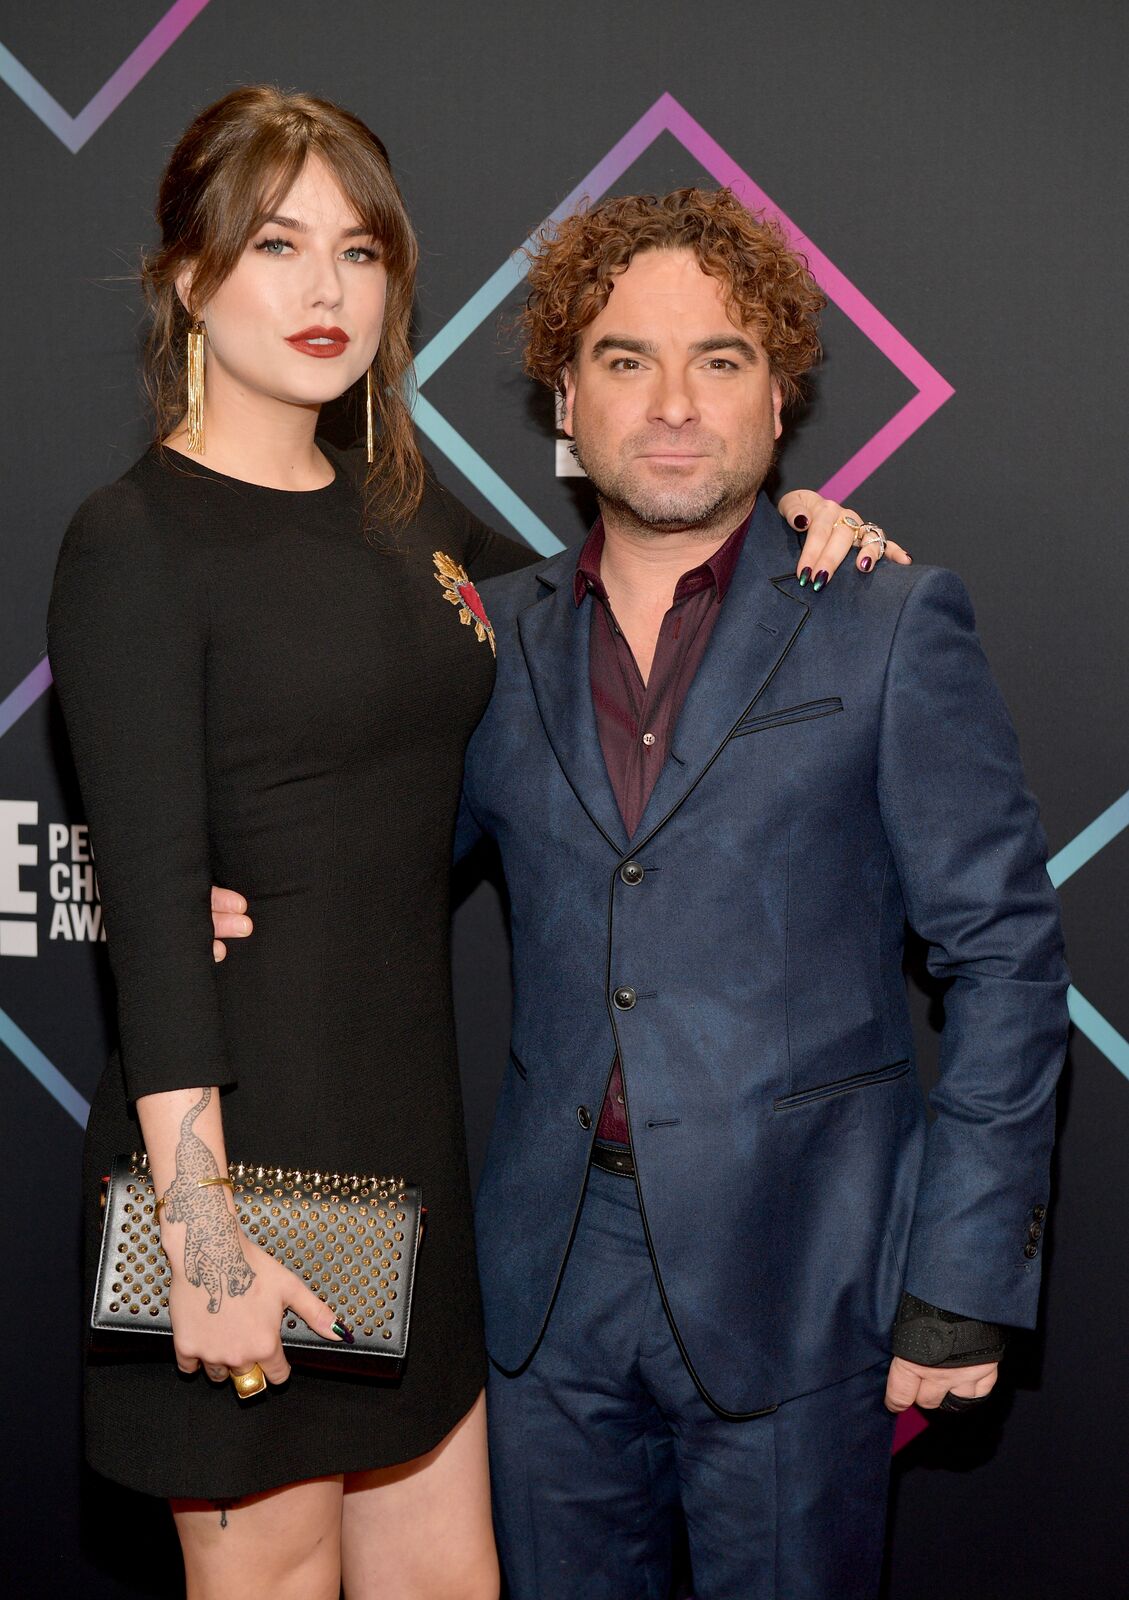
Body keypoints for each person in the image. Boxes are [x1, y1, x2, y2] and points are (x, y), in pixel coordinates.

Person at [50, 91, 878, 1600]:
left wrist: (774, 523)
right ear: (186, 279)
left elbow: (613, 574)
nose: (323, 293)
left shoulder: (404, 508)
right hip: (241, 1152)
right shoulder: (137, 540)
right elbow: (160, 922)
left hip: (408, 1151)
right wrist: (205, 1245)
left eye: (359, 253)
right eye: (276, 245)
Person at [450, 191, 1067, 1598]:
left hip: (804, 1281)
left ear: (778, 394)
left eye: (718, 359)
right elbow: (360, 865)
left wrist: (959, 1280)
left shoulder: (887, 619)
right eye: (624, 359)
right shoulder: (483, 640)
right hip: (544, 1289)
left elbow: (1005, 964)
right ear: (565, 390)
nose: (671, 403)